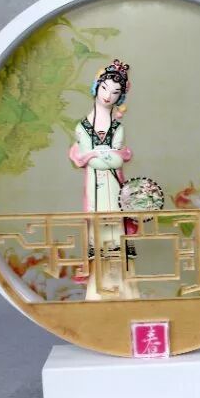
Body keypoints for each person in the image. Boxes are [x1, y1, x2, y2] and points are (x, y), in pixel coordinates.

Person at [68, 59, 136, 299]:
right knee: (98, 237)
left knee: (116, 237)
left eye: (115, 92)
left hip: (114, 189)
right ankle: (97, 293)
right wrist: (104, 155)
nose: (108, 96)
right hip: (95, 191)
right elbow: (95, 160)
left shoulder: (118, 128)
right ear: (96, 87)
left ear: (120, 97)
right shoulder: (82, 127)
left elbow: (117, 160)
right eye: (105, 88)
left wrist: (98, 155)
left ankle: (123, 292)